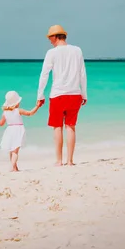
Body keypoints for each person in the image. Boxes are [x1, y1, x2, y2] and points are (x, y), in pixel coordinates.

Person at [37, 25, 88, 166]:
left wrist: (40, 94)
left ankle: (59, 161)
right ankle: (70, 161)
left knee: (57, 127)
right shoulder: (77, 50)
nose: (49, 41)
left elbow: (44, 75)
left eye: (50, 37)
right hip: (74, 94)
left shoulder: (51, 53)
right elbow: (82, 73)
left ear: (55, 36)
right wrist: (84, 93)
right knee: (71, 126)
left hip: (58, 95)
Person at [0, 91, 41, 172]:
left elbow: (1, 123)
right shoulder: (18, 110)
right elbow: (30, 113)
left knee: (11, 150)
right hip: (18, 130)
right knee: (15, 151)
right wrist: (37, 106)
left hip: (9, 130)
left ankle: (15, 168)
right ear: (17, 103)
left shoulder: (5, 113)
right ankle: (12, 167)